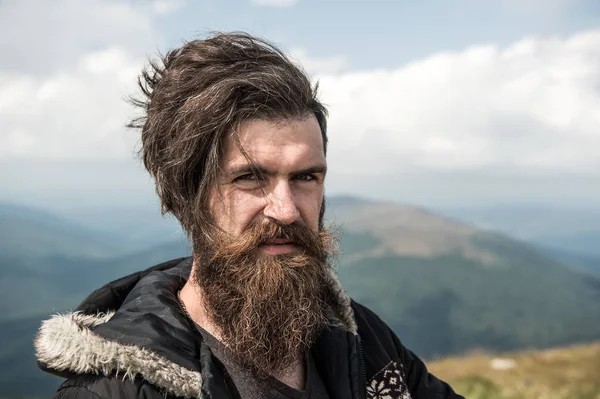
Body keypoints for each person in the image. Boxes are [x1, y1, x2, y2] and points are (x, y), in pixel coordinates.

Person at [34, 32, 464, 399]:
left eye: (307, 176)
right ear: (185, 194)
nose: (287, 209)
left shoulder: (362, 341)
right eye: (250, 178)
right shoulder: (116, 389)